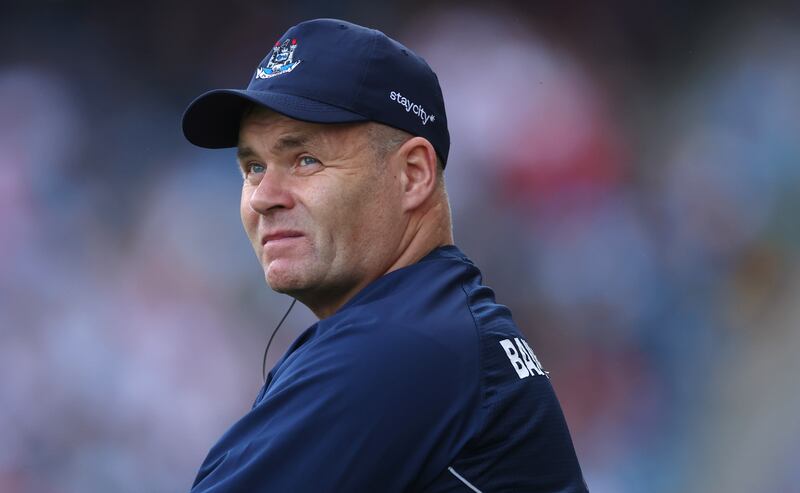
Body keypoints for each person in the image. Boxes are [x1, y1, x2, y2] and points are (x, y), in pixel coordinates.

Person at [181, 18, 588, 492]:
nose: (262, 197)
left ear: (412, 174)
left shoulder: (401, 348)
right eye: (253, 167)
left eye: (305, 160)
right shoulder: (438, 327)